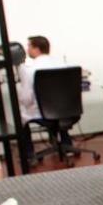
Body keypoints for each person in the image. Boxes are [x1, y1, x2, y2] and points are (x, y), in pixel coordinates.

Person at [17, 35, 68, 164]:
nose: (27, 49)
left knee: (21, 116)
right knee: (60, 111)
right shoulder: (64, 65)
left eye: (29, 46)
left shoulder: (28, 69)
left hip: (42, 113)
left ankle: (29, 155)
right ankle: (67, 144)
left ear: (36, 49)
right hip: (68, 110)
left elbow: (27, 99)